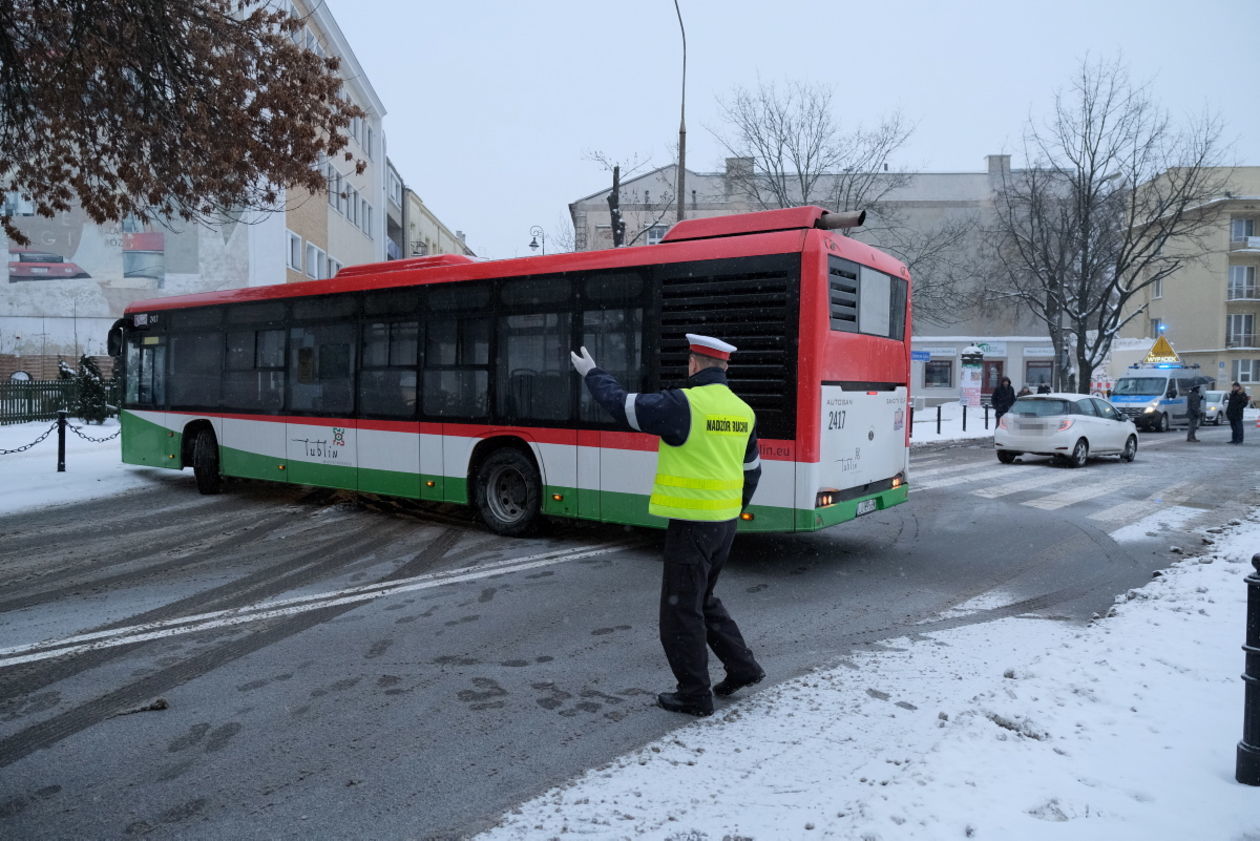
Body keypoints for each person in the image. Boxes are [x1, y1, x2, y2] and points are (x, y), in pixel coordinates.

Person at [571, 334, 764, 717]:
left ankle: (694, 694)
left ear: (694, 364)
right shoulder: (743, 411)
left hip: (692, 524)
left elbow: (622, 406)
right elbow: (753, 472)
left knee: (680, 612)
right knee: (702, 600)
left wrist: (592, 373)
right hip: (723, 524)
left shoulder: (684, 404)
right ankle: (743, 667)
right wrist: (729, 509)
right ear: (724, 367)